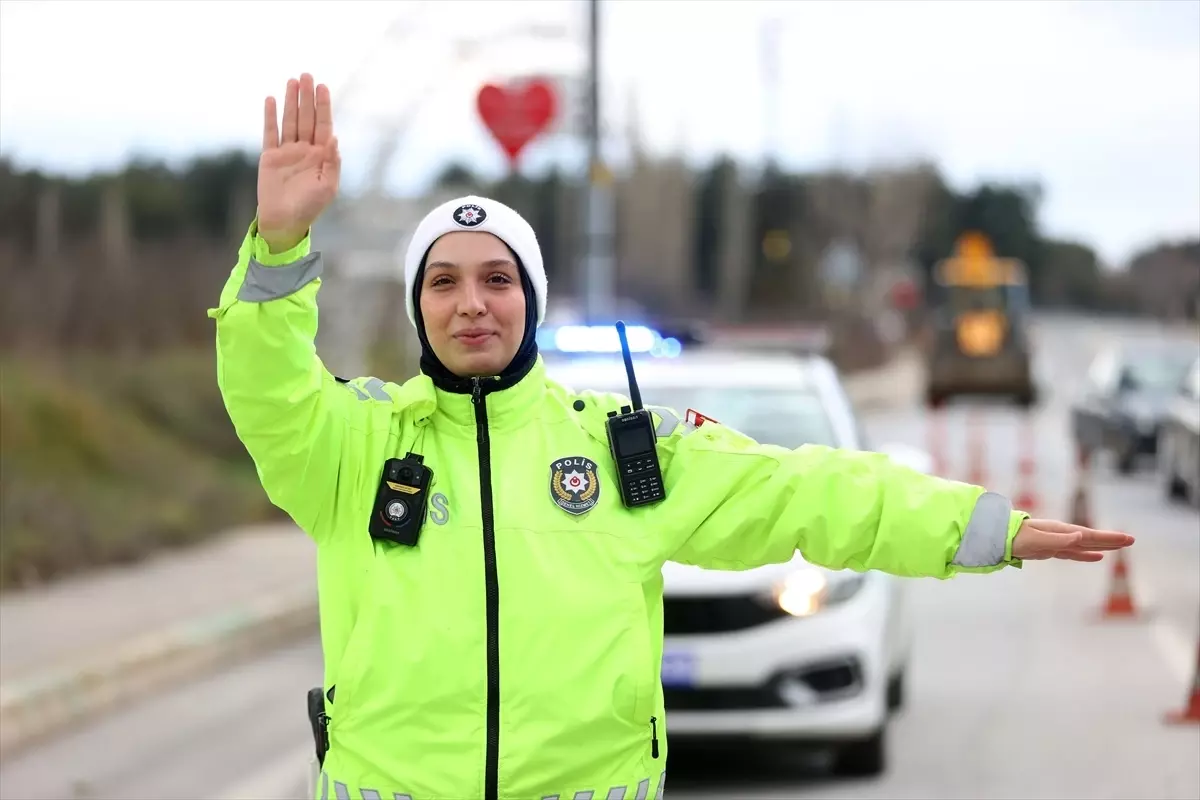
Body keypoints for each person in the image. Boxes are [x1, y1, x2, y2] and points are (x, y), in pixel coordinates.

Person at [211, 74, 1135, 800]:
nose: (472, 304)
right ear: (419, 307)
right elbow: (265, 386)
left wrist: (984, 526)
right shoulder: (357, 447)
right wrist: (280, 247)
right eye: (443, 282)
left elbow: (805, 491)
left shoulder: (620, 452)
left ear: (530, 300)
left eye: (498, 279)